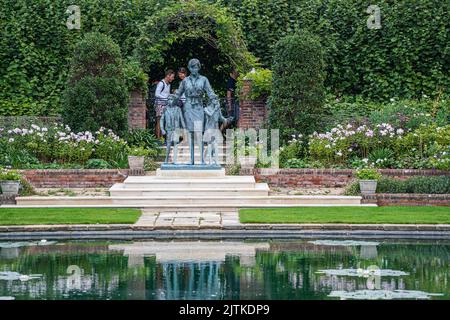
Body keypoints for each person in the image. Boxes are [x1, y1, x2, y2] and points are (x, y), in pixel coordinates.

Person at [174, 59, 216, 165]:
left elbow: (210, 92)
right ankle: (191, 160)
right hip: (188, 108)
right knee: (190, 134)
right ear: (189, 68)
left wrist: (214, 100)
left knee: (198, 134)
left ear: (199, 68)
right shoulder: (185, 81)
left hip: (198, 108)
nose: (194, 69)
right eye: (192, 67)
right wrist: (171, 100)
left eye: (196, 67)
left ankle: (202, 160)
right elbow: (178, 93)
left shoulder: (204, 79)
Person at [160, 94, 186, 164]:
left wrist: (184, 129)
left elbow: (182, 120)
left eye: (171, 99)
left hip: (176, 129)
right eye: (168, 99)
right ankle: (166, 159)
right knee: (168, 144)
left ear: (174, 101)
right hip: (169, 129)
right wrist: (162, 129)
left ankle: (174, 160)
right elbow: (162, 120)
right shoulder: (165, 109)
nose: (169, 101)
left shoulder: (178, 109)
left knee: (176, 144)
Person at [154, 69, 175, 138]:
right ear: (168, 76)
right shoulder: (161, 83)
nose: (173, 78)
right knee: (159, 121)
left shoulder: (168, 84)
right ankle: (158, 139)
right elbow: (157, 94)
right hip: (159, 104)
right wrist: (165, 98)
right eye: (172, 77)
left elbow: (167, 94)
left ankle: (162, 138)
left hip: (165, 105)